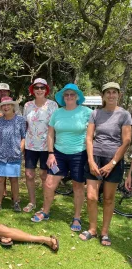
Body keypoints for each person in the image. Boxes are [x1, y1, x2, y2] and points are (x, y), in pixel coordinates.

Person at [31, 84, 92, 232]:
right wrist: (51, 153)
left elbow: (92, 135)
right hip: (58, 154)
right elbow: (50, 134)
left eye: (72, 94)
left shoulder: (87, 112)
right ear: (63, 98)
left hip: (79, 154)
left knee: (77, 186)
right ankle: (45, 211)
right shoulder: (57, 113)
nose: (69, 97)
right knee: (49, 184)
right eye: (66, 95)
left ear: (77, 96)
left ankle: (76, 217)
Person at [79, 82, 131, 246]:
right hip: (95, 157)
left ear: (118, 95)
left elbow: (127, 140)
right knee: (91, 196)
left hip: (114, 160)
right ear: (103, 95)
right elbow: (89, 138)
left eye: (114, 92)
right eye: (107, 92)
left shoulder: (124, 115)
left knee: (108, 198)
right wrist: (90, 160)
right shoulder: (96, 113)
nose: (111, 95)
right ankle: (93, 229)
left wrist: (112, 163)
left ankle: (104, 232)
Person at [23, 78, 58, 213]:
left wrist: (53, 150)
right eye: (36, 87)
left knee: (44, 175)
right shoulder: (27, 106)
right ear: (33, 90)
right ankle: (32, 202)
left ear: (46, 90)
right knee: (29, 174)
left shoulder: (53, 105)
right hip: (30, 145)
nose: (39, 90)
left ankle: (45, 204)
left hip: (46, 147)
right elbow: (25, 124)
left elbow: (54, 126)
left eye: (42, 87)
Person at [0, 97, 26, 212]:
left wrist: (20, 149)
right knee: (0, 179)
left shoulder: (20, 120)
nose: (6, 107)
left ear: (13, 106)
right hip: (1, 155)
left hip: (15, 154)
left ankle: (16, 202)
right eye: (3, 105)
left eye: (8, 105)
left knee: (14, 180)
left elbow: (24, 137)